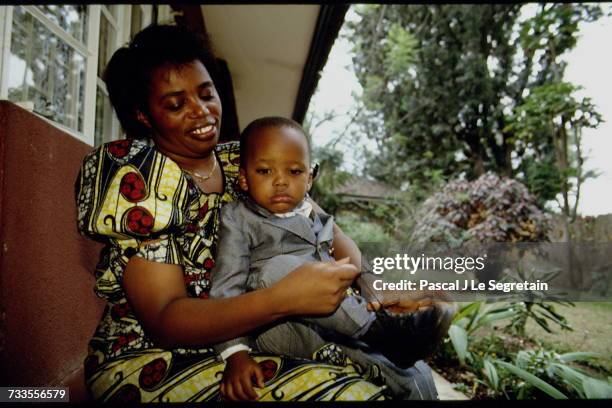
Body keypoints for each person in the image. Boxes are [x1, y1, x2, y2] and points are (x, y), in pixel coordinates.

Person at [75, 23, 443, 402]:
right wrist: (281, 300)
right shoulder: (137, 177)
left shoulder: (247, 159)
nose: (201, 112)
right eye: (176, 104)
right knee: (355, 396)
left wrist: (371, 290)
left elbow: (331, 236)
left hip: (275, 330)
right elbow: (166, 319)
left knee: (414, 378)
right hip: (160, 356)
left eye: (206, 94)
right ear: (143, 114)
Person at [210, 116, 455, 400]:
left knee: (413, 373)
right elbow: (225, 289)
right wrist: (235, 354)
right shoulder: (238, 217)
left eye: (294, 171)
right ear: (243, 178)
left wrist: (372, 288)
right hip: (275, 325)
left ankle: (392, 347)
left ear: (309, 178)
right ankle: (378, 330)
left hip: (328, 327)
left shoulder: (310, 211)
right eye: (264, 171)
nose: (280, 181)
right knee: (282, 268)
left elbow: (339, 251)